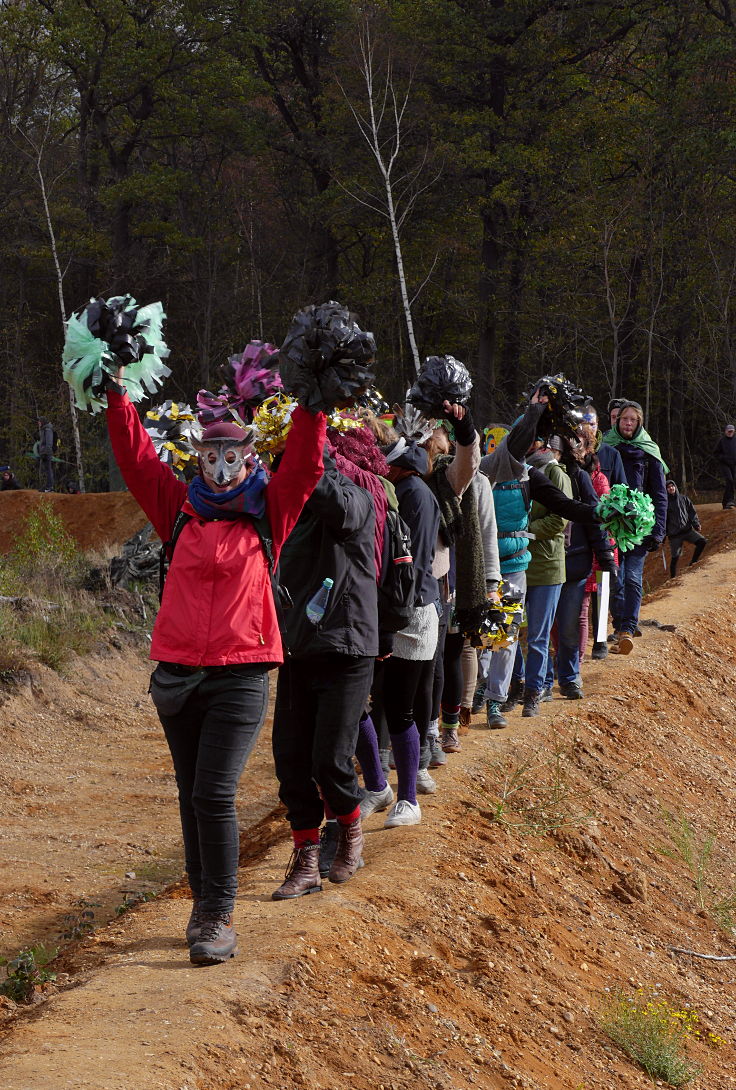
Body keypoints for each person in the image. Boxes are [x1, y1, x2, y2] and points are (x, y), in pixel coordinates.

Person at [106, 369, 325, 964]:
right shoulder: (179, 508)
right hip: (176, 673)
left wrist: (315, 403)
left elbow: (305, 468)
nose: (222, 465)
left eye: (233, 454)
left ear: (251, 455)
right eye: (211, 453)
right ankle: (202, 901)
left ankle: (218, 914)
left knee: (214, 791)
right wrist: (117, 394)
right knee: (189, 793)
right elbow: (135, 459)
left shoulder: (267, 509)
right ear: (196, 455)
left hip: (241, 672)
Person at [603, 401, 667, 654]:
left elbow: (660, 494)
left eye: (633, 420)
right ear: (617, 422)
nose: (628, 423)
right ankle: (619, 626)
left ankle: (628, 627)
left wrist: (658, 529)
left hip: (641, 525)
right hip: (612, 524)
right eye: (624, 419)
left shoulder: (649, 452)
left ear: (639, 424)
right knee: (615, 579)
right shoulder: (605, 448)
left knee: (631, 577)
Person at [666, 481, 707, 577]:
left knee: (702, 541)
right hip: (674, 535)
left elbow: (692, 512)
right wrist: (662, 535)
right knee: (675, 557)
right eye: (668, 487)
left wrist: (696, 524)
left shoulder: (684, 498)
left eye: (672, 486)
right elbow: (663, 520)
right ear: (666, 490)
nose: (671, 488)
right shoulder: (665, 503)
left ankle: (693, 563)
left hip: (687, 531)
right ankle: (672, 580)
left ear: (675, 487)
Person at [713, 423, 736, 509]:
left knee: (732, 482)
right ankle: (730, 501)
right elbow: (716, 453)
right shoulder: (721, 441)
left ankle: (725, 502)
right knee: (729, 480)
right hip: (724, 464)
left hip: (734, 465)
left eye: (732, 431)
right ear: (725, 431)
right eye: (729, 431)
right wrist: (723, 458)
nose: (730, 433)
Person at [37, 418, 55, 492]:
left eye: (39, 421)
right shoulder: (44, 429)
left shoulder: (47, 429)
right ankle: (47, 486)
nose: (38, 423)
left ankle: (50, 487)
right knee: (46, 470)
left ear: (43, 422)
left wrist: (46, 453)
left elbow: (49, 442)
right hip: (44, 453)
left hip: (47, 453)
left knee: (48, 470)